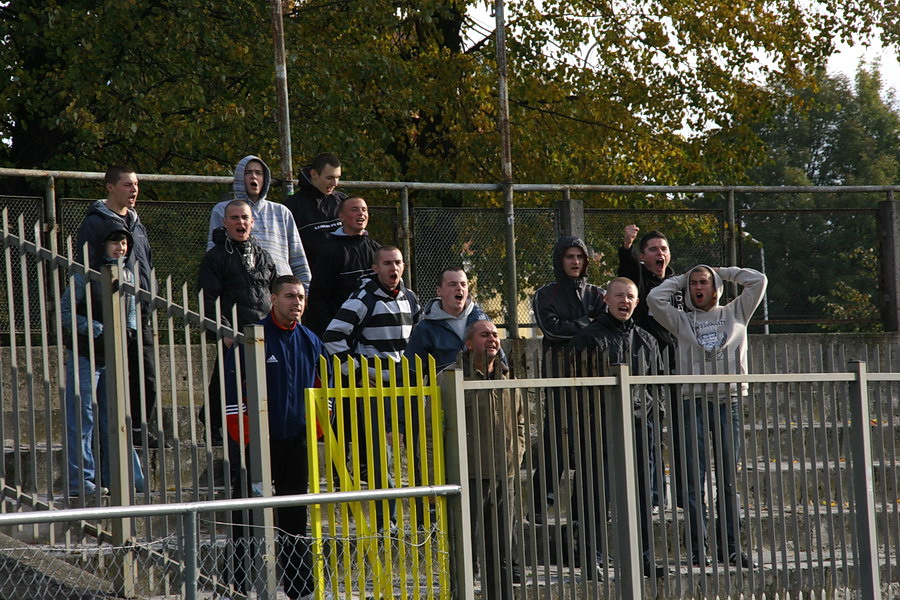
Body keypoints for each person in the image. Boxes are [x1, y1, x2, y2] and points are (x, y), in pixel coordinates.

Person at [648, 265, 767, 568]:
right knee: (693, 481)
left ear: (715, 287)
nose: (698, 287)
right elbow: (654, 298)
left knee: (727, 479)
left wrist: (721, 271)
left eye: (704, 282)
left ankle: (731, 547)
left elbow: (758, 280)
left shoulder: (736, 311)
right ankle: (699, 550)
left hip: (729, 402)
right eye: (693, 284)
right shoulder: (682, 320)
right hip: (693, 402)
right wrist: (681, 278)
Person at [223, 275, 327, 600]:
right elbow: (231, 390)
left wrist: (315, 431)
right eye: (289, 296)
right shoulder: (253, 338)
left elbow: (323, 391)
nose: (296, 302)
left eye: (300, 297)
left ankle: (301, 588)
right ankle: (237, 586)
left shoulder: (311, 340)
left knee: (295, 516)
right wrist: (245, 437)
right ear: (273, 299)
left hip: (296, 440)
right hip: (255, 442)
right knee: (247, 515)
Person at [571, 277, 666, 578]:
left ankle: (644, 558)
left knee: (639, 495)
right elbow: (575, 389)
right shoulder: (588, 338)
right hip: (599, 429)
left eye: (630, 297)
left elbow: (658, 388)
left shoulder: (648, 341)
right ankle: (592, 559)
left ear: (637, 303)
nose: (625, 301)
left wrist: (655, 418)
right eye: (619, 296)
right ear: (606, 300)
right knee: (596, 496)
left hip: (640, 428)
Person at [322, 246, 420, 523]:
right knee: (381, 457)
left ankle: (422, 515)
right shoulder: (363, 298)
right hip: (373, 390)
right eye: (387, 263)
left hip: (404, 389)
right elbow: (332, 336)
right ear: (376, 268)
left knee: (413, 454)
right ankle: (383, 519)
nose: (394, 268)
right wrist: (357, 373)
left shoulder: (411, 298)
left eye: (398, 262)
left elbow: (420, 336)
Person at [75, 166, 164, 448]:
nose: (134, 190)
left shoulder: (138, 224)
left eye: (136, 184)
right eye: (127, 185)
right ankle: (114, 434)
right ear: (110, 187)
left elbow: (146, 264)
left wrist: (150, 295)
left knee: (146, 374)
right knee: (113, 378)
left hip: (141, 311)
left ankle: (140, 427)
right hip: (110, 311)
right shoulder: (95, 223)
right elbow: (86, 267)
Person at [530, 236, 605, 542]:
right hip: (560, 371)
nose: (575, 262)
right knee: (557, 434)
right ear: (560, 260)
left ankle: (582, 509)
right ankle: (540, 499)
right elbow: (550, 328)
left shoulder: (596, 293)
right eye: (570, 256)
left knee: (591, 442)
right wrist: (586, 324)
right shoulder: (545, 293)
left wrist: (575, 325)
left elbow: (604, 325)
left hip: (594, 373)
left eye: (580, 257)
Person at [62, 224, 146, 497]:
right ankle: (80, 480)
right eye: (114, 242)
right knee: (82, 418)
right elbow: (64, 314)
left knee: (115, 418)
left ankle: (120, 477)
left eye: (124, 242)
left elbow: (131, 310)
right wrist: (97, 328)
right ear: (101, 244)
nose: (120, 247)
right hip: (85, 354)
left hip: (114, 355)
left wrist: (128, 332)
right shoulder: (83, 275)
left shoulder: (127, 275)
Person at [197, 199, 277, 444]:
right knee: (224, 379)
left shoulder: (264, 256)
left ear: (252, 222)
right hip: (232, 332)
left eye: (244, 217)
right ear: (225, 223)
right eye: (234, 218)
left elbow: (274, 294)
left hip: (263, 331)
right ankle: (213, 425)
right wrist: (225, 332)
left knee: (266, 382)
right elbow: (207, 297)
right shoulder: (215, 257)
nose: (240, 222)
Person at [617, 225, 685, 510]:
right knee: (652, 436)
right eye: (654, 249)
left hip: (679, 367)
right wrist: (627, 246)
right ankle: (655, 496)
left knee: (683, 437)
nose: (661, 254)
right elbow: (628, 273)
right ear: (643, 256)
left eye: (664, 249)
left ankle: (684, 496)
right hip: (648, 370)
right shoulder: (640, 282)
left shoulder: (681, 285)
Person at [462, 320, 526, 600]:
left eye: (495, 335)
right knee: (466, 551)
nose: (492, 339)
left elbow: (521, 422)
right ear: (469, 343)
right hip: (470, 476)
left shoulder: (508, 380)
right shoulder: (452, 378)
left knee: (500, 550)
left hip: (505, 476)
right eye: (485, 334)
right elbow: (430, 432)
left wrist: (517, 452)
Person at [207, 155, 310, 289]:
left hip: (281, 292)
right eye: (248, 173)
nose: (253, 177)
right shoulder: (222, 209)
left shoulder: (281, 211)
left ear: (265, 178)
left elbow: (298, 258)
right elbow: (212, 253)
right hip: (242, 290)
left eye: (258, 173)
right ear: (239, 177)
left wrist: (306, 291)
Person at [304, 196, 381, 337]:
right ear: (341, 217)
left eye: (364, 210)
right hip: (343, 331)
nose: (361, 213)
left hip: (374, 330)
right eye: (354, 209)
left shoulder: (377, 250)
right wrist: (333, 330)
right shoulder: (329, 251)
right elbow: (318, 298)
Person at [283, 152, 346, 268]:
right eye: (330, 178)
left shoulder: (343, 201)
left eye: (337, 178)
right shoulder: (292, 206)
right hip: (311, 276)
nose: (335, 183)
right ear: (314, 174)